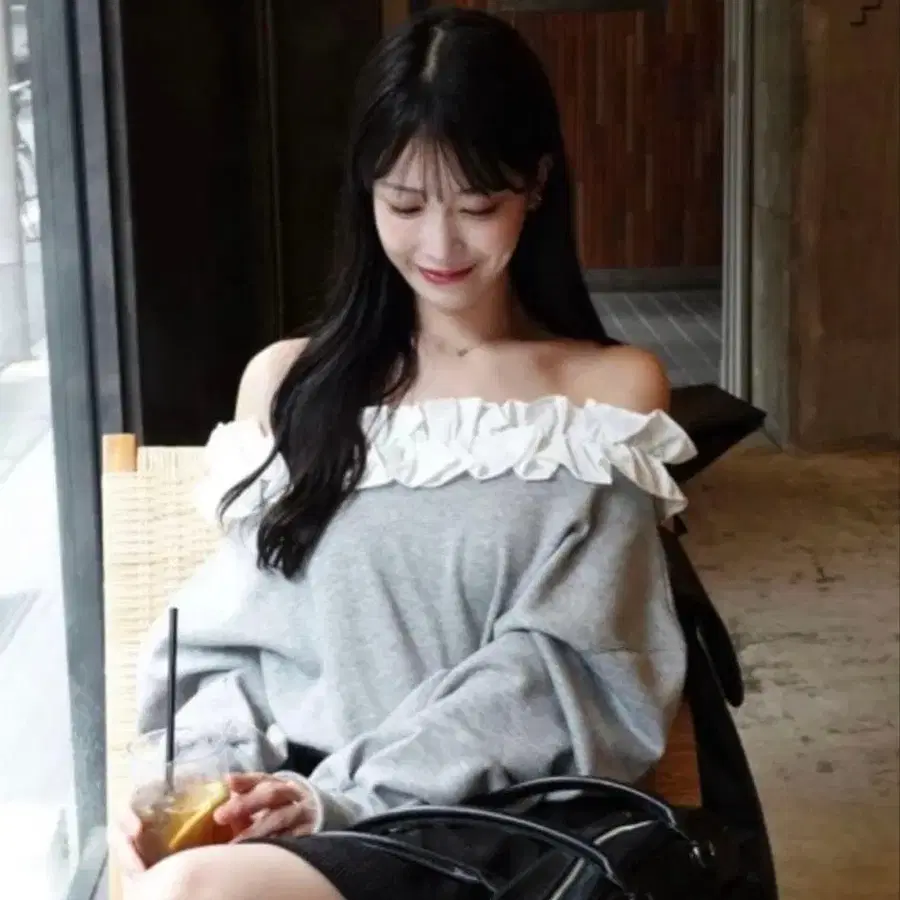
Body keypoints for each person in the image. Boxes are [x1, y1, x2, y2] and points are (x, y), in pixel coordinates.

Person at [110, 7, 697, 899]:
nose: (440, 245)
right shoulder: (288, 384)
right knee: (168, 874)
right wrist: (196, 782)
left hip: (492, 817)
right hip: (287, 807)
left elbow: (564, 672)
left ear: (537, 186)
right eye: (406, 204)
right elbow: (235, 641)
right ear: (366, 192)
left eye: (477, 206)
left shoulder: (605, 397)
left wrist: (339, 798)